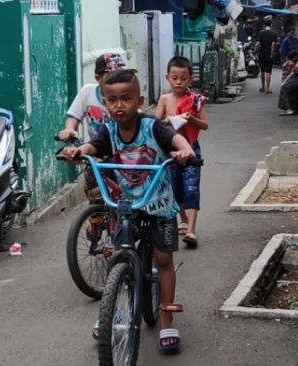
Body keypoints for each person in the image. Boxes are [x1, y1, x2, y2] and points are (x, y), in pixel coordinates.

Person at [62, 69, 196, 353]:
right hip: (126, 206)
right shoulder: (108, 130)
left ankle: (166, 317)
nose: (118, 105)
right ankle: (115, 313)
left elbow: (176, 139)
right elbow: (93, 145)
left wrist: (185, 152)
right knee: (117, 252)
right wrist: (78, 151)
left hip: (158, 205)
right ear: (105, 103)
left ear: (140, 100)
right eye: (111, 100)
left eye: (126, 98)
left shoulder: (152, 127)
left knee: (162, 259)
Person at [57, 53, 134, 199]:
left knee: (128, 194)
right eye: (111, 75)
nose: (116, 80)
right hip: (96, 152)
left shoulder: (126, 96)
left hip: (122, 152)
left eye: (120, 75)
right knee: (95, 193)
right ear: (98, 78)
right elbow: (74, 116)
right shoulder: (87, 92)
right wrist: (69, 129)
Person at [155, 56, 209, 248]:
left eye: (183, 78)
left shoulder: (195, 101)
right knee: (175, 188)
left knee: (192, 188)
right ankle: (183, 219)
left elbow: (205, 124)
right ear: (167, 77)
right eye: (174, 77)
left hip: (191, 149)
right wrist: (168, 121)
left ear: (190, 78)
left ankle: (192, 230)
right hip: (170, 151)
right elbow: (154, 124)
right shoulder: (164, 99)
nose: (178, 82)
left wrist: (191, 119)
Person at [255, 16, 278, 94]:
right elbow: (273, 44)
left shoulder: (261, 33)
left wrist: (256, 50)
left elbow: (258, 44)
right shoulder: (274, 33)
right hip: (270, 55)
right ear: (271, 24)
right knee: (268, 71)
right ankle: (268, 89)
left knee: (262, 70)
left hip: (262, 54)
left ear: (264, 25)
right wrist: (272, 53)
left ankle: (263, 87)